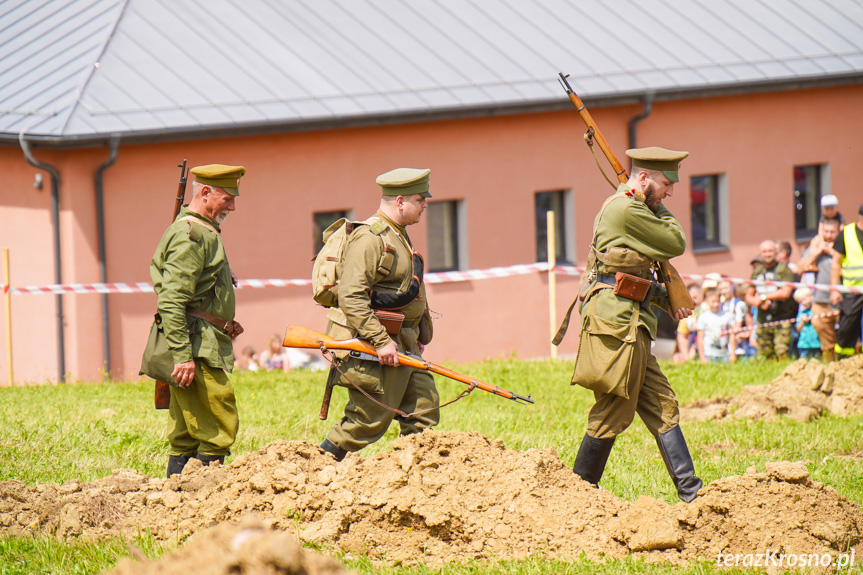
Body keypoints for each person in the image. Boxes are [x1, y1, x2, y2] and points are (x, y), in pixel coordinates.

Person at [567, 146, 702, 503]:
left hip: (631, 322)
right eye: (664, 183)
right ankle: (579, 495)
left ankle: (691, 493)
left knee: (661, 403)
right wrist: (655, 204)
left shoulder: (634, 204)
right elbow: (675, 242)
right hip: (616, 324)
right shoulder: (627, 208)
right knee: (614, 408)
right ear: (642, 178)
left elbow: (629, 271)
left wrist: (663, 300)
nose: (669, 192)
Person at [319, 168, 437, 462]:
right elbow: (351, 296)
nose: (425, 205)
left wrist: (416, 333)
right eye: (420, 199)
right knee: (366, 422)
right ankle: (315, 472)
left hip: (403, 343)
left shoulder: (398, 235)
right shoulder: (370, 238)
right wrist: (381, 340)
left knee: (423, 411)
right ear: (400, 201)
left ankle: (414, 480)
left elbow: (406, 290)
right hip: (374, 348)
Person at [147, 164, 246, 477]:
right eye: (227, 198)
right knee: (218, 424)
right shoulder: (192, 235)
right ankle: (204, 502)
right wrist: (183, 357)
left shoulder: (197, 229)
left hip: (198, 340)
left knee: (186, 430)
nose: (232, 205)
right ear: (205, 193)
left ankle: (177, 496)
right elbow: (172, 300)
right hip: (195, 345)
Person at [744, 240, 796, 360]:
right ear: (760, 254)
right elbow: (748, 295)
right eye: (764, 252)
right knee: (766, 356)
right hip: (763, 320)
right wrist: (757, 302)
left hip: (782, 319)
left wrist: (764, 297)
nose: (767, 254)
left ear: (776, 252)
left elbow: (785, 292)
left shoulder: (784, 270)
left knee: (782, 353)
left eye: (770, 251)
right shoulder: (757, 271)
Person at [798, 217, 841, 361]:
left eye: (832, 232)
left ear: (839, 231)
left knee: (849, 335)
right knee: (823, 333)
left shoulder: (844, 246)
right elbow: (800, 268)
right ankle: (830, 363)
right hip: (821, 300)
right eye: (826, 232)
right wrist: (816, 253)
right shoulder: (816, 248)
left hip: (843, 300)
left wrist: (833, 253)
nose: (829, 235)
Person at [830, 203, 863, 358]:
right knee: (847, 325)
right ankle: (843, 360)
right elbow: (836, 263)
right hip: (852, 290)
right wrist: (835, 289)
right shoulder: (846, 233)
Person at [697, 287, 736, 363]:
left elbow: (732, 336)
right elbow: (700, 338)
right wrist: (702, 357)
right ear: (706, 301)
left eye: (718, 301)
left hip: (724, 355)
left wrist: (732, 353)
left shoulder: (727, 316)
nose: (716, 304)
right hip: (708, 354)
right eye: (713, 301)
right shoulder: (703, 317)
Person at [794, 288, 821, 359]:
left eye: (805, 299)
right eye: (801, 301)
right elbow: (798, 329)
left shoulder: (817, 311)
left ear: (811, 296)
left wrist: (813, 318)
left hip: (817, 343)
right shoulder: (801, 314)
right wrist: (803, 321)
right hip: (804, 344)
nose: (804, 302)